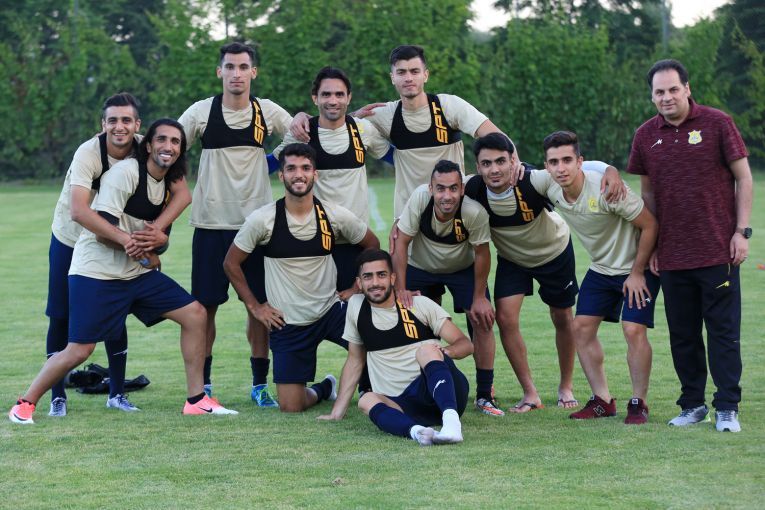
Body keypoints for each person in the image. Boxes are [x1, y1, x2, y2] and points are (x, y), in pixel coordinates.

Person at [9, 119, 237, 424]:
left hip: (135, 274)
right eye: (162, 140)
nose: (168, 146)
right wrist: (145, 252)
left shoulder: (167, 181)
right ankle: (24, 404)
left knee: (195, 314)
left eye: (175, 142)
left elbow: (176, 209)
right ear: (148, 145)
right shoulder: (125, 174)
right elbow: (103, 233)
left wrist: (158, 240)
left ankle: (196, 400)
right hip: (96, 273)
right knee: (80, 350)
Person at [45, 93, 191, 416]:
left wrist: (158, 232)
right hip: (71, 239)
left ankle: (117, 393)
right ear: (103, 124)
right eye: (112, 120)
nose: (119, 126)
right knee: (61, 315)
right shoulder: (88, 153)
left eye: (126, 120)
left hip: (115, 240)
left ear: (138, 125)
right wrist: (131, 242)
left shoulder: (147, 147)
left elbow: (182, 193)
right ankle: (57, 396)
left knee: (117, 310)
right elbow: (79, 211)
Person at [627, 59, 753, 432]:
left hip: (718, 251)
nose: (666, 97)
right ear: (652, 96)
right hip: (672, 256)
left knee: (723, 334)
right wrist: (651, 248)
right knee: (683, 336)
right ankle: (693, 405)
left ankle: (727, 407)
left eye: (673, 89)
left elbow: (745, 178)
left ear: (687, 88)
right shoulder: (645, 135)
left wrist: (741, 231)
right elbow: (648, 195)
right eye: (659, 92)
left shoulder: (718, 123)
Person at [466, 133, 624, 412]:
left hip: (554, 253)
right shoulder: (472, 188)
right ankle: (530, 393)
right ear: (478, 167)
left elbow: (574, 168)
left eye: (501, 161)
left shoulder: (533, 179)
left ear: (513, 161)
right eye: (486, 164)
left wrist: (610, 170)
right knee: (505, 318)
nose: (494, 169)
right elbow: (437, 186)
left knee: (562, 316)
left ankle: (566, 387)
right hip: (512, 259)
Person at [223, 143, 379, 412]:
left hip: (330, 311)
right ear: (281, 175)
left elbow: (372, 245)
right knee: (291, 405)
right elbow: (231, 263)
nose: (299, 174)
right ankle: (324, 388)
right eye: (291, 168)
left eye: (306, 168)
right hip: (288, 322)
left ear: (315, 174)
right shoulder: (262, 220)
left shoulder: (333, 214)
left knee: (376, 339)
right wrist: (255, 306)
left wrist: (357, 287)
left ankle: (371, 389)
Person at [179, 42, 292, 406]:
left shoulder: (266, 111)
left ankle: (259, 385)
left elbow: (299, 135)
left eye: (243, 67)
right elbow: (169, 146)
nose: (236, 74)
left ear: (253, 72)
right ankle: (205, 385)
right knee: (204, 309)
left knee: (259, 307)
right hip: (210, 226)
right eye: (229, 67)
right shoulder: (201, 112)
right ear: (220, 72)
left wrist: (270, 163)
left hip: (257, 229)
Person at [538, 131, 659, 424]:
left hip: (636, 267)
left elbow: (651, 226)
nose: (561, 168)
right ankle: (602, 401)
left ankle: (639, 403)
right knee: (580, 328)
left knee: (633, 329)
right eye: (554, 162)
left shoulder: (608, 189)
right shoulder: (550, 187)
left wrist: (637, 272)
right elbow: (515, 172)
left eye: (567, 160)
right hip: (602, 269)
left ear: (580, 162)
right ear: (546, 166)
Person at [317, 249, 474, 446]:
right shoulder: (356, 308)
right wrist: (336, 413)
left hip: (443, 392)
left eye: (381, 275)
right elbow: (355, 360)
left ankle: (451, 424)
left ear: (392, 278)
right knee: (366, 400)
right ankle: (418, 433)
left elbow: (465, 344)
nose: (375, 282)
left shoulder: (418, 304)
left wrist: (443, 353)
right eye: (368, 277)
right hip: (403, 404)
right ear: (359, 283)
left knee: (426, 350)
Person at [393, 160, 502, 416]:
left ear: (461, 189)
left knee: (482, 319)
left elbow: (482, 253)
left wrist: (479, 297)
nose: (447, 195)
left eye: (453, 188)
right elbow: (401, 243)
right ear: (431, 188)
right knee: (409, 319)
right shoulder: (420, 199)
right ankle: (416, 387)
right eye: (440, 188)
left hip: (461, 268)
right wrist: (400, 288)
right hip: (420, 266)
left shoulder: (473, 212)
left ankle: (484, 394)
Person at [274, 66, 391, 293]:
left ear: (349, 97)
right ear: (315, 98)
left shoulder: (362, 130)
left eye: (339, 94)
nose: (333, 100)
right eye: (326, 94)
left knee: (353, 309)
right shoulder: (302, 133)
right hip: (314, 243)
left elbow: (397, 158)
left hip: (356, 241)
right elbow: (271, 163)